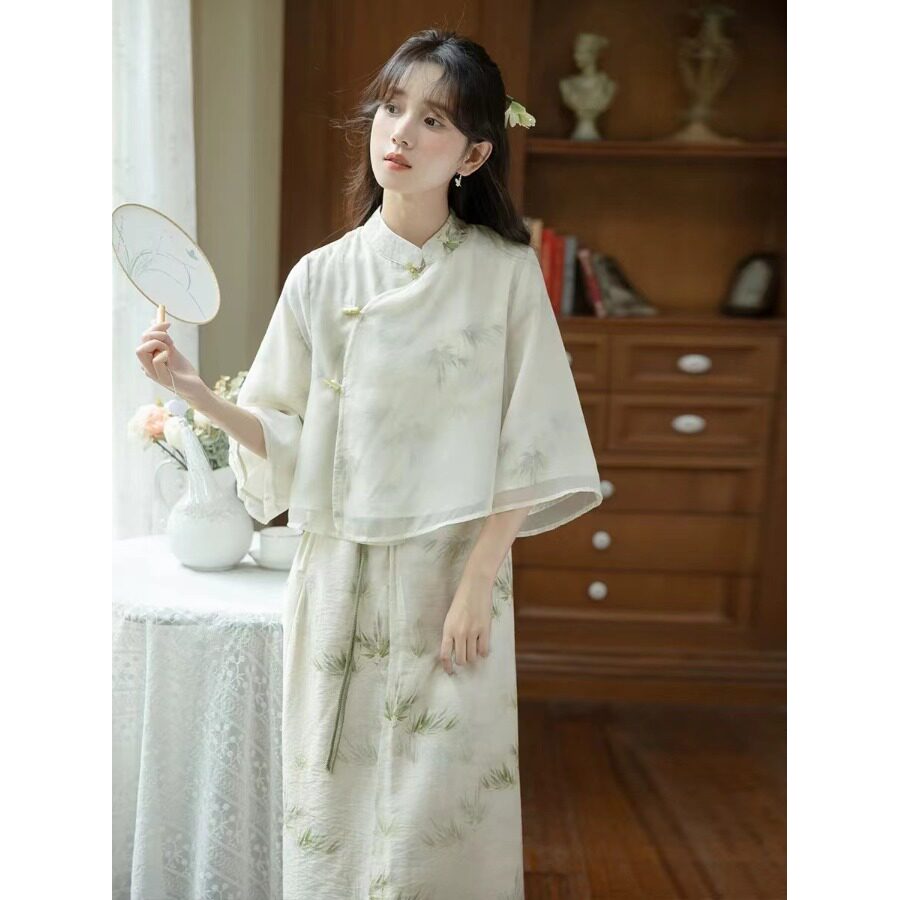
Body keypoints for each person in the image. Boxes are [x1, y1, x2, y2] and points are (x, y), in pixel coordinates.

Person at [136, 28, 603, 900]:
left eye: (433, 120)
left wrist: (479, 580)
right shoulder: (320, 277)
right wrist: (193, 390)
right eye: (392, 108)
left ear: (472, 154)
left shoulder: (505, 276)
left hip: (453, 572)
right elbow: (285, 431)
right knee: (335, 811)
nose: (401, 132)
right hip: (337, 573)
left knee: (447, 812)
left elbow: (531, 436)